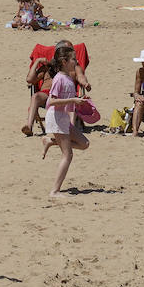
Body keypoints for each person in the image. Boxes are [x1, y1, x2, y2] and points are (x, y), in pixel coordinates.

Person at [40, 45, 89, 197]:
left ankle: (50, 141)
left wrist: (79, 100)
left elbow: (69, 104)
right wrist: (73, 99)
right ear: (63, 61)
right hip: (56, 118)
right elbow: (51, 102)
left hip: (63, 119)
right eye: (73, 59)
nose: (76, 61)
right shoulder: (59, 79)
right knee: (68, 155)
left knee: (84, 143)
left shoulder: (68, 77)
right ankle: (54, 191)